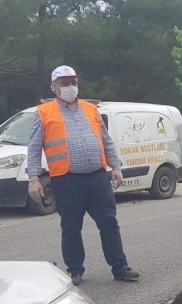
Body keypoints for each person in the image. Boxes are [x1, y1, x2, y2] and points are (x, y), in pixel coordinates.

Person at [27, 65, 140, 285]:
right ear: (54, 87)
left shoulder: (90, 109)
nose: (70, 87)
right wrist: (33, 179)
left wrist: (115, 166)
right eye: (64, 83)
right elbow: (33, 148)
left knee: (109, 223)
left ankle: (120, 267)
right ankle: (74, 270)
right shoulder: (43, 113)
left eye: (73, 82)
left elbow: (105, 139)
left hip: (97, 177)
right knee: (71, 227)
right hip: (67, 179)